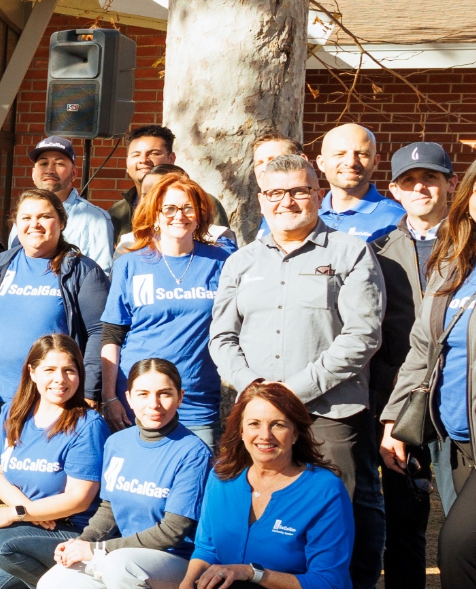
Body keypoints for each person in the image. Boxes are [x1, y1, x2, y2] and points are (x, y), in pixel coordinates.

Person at [209, 153, 385, 589]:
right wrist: (254, 389)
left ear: (318, 195)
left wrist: (291, 393)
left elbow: (363, 336)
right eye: (274, 193)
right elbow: (221, 338)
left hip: (329, 413)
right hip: (257, 417)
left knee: (343, 518)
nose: (286, 201)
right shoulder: (241, 262)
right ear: (261, 200)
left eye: (298, 191)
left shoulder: (350, 252)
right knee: (263, 517)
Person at [36, 359, 212, 589]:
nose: (154, 404)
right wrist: (82, 542)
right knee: (53, 582)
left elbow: (173, 531)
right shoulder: (117, 442)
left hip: (175, 561)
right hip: (119, 554)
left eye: (164, 394)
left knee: (121, 566)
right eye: (143, 394)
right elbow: (109, 508)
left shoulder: (194, 452)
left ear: (180, 397)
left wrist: (98, 549)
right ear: (129, 398)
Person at [384, 159, 476, 584]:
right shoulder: (454, 261)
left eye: (430, 179)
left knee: (458, 549)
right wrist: (394, 418)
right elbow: (424, 347)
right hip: (457, 436)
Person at [0, 189, 110, 427]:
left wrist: (88, 389)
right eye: (26, 218)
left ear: (62, 222)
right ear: (16, 223)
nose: (35, 224)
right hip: (2, 395)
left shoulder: (82, 271)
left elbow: (100, 332)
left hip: (57, 396)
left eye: (44, 216)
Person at [0, 334, 109, 589]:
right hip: (27, 527)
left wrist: (16, 513)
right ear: (32, 372)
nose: (60, 379)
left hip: (71, 533)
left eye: (69, 370)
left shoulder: (88, 425)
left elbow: (80, 498)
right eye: (49, 370)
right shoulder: (12, 412)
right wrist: (27, 512)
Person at [370, 140, 453, 588]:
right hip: (400, 403)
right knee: (405, 520)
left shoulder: (469, 244)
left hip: (459, 396)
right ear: (395, 190)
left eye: (430, 178)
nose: (420, 187)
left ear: (450, 184)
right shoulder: (376, 252)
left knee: (463, 517)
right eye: (409, 181)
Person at [181, 383, 352, 589]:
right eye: (254, 423)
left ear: (295, 433)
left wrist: (252, 573)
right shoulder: (221, 475)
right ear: (241, 430)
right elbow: (207, 549)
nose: (265, 435)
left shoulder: (325, 490)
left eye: (278, 424)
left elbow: (329, 582)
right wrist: (187, 583)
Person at [99, 173, 230, 444]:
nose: (178, 216)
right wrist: (109, 397)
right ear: (155, 216)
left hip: (196, 402)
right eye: (169, 208)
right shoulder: (130, 264)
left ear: (199, 215)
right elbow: (112, 335)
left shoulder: (222, 262)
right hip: (138, 402)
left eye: (188, 208)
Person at [108, 126, 228, 236]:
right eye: (136, 155)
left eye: (154, 153)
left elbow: (220, 247)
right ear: (127, 162)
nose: (143, 160)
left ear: (171, 159)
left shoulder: (203, 203)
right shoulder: (117, 211)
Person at [29, 136, 115, 270]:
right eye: (43, 163)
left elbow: (101, 275)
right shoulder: (23, 218)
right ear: (33, 174)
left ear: (74, 173)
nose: (50, 170)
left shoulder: (95, 219)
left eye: (59, 163)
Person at [316, 124, 405, 242]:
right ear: (321, 163)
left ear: (375, 162)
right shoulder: (306, 213)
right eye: (339, 154)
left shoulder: (396, 219)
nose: (351, 162)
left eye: (361, 154)